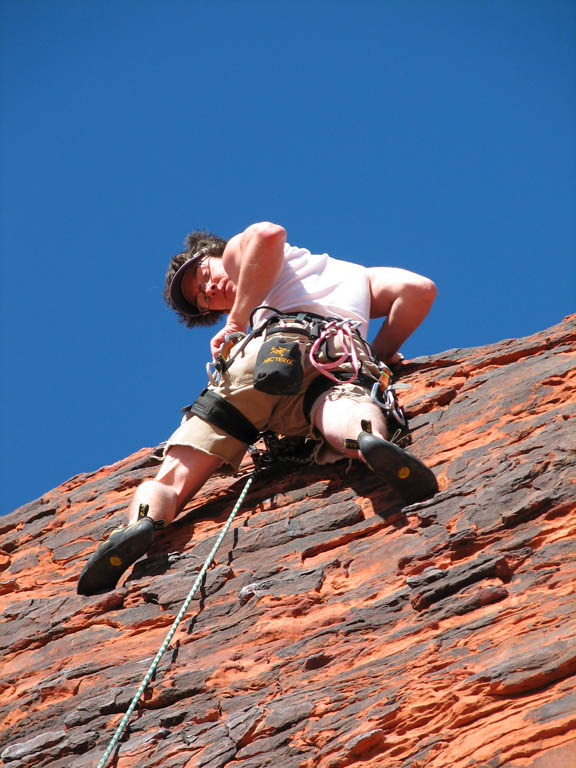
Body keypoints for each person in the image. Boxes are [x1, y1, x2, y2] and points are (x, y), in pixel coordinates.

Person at [77, 222, 438, 596]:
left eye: (204, 276)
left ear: (212, 255)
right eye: (205, 300)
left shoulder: (236, 253)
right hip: (334, 358)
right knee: (338, 407)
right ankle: (365, 439)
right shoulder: (359, 277)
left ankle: (144, 521)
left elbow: (267, 235)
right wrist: (378, 357)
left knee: (174, 474)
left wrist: (235, 321)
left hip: (263, 357)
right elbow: (419, 291)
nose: (210, 289)